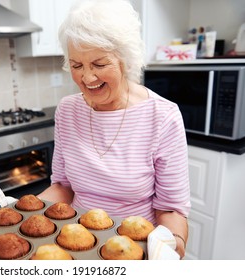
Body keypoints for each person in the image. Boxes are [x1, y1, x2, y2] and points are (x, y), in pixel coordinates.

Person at [37, 0, 191, 259]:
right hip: (74, 243)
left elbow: (171, 210)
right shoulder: (67, 110)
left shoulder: (162, 116)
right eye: (76, 65)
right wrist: (21, 211)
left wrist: (172, 245)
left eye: (99, 64)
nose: (87, 78)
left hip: (131, 249)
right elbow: (63, 187)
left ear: (125, 59)